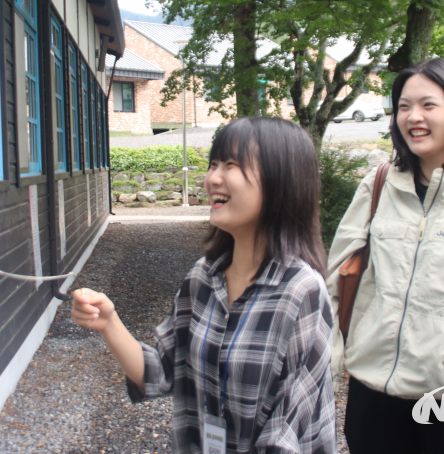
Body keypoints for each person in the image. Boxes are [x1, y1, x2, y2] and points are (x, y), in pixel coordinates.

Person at [72, 117, 337, 454]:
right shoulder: (203, 278)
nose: (213, 178)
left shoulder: (302, 293)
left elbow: (284, 435)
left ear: (280, 182)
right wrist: (108, 323)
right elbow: (161, 372)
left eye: (232, 165)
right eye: (213, 164)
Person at [327, 58, 444, 454]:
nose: (414, 117)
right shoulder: (379, 183)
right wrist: (329, 364)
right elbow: (334, 281)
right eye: (403, 106)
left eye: (429, 105)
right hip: (372, 393)